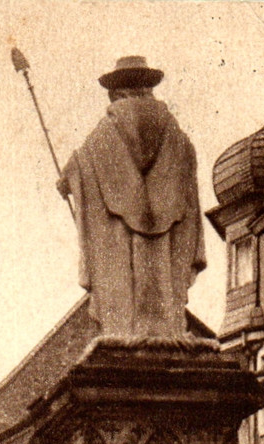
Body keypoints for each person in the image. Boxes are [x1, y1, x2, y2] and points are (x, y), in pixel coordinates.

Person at [57, 56, 206, 337]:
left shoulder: (103, 134)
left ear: (117, 91)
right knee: (164, 278)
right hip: (167, 239)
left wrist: (69, 178)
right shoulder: (177, 136)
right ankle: (167, 331)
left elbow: (80, 166)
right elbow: (188, 172)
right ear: (148, 88)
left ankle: (125, 330)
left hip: (120, 242)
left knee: (122, 283)